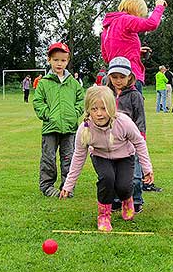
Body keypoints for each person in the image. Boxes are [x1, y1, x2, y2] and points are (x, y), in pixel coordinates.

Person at [59, 86, 154, 232]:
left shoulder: (123, 122)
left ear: (111, 107)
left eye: (103, 108)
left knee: (124, 186)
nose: (99, 114)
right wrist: (68, 184)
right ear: (88, 110)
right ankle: (104, 215)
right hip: (100, 156)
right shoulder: (84, 129)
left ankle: (127, 201)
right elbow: (78, 157)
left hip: (125, 156)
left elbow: (139, 143)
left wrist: (147, 169)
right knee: (107, 178)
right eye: (94, 109)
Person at [33, 42, 84, 197]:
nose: (59, 63)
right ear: (49, 60)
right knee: (48, 158)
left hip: (69, 128)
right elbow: (38, 102)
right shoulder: (44, 83)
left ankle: (67, 188)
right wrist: (47, 115)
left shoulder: (74, 83)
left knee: (69, 158)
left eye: (62, 60)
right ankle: (47, 187)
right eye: (56, 60)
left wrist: (75, 113)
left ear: (67, 61)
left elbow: (81, 101)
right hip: (50, 127)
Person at [101, 0, 167, 95]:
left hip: (113, 78)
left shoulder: (107, 28)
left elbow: (107, 57)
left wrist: (136, 51)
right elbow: (152, 24)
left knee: (116, 110)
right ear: (136, 9)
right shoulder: (126, 19)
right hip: (130, 76)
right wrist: (159, 6)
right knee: (135, 109)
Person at [106, 56, 146, 213]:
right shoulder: (106, 93)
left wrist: (140, 139)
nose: (118, 80)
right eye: (114, 77)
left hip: (131, 141)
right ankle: (116, 200)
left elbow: (140, 118)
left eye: (122, 77)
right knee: (115, 173)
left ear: (130, 76)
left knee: (134, 175)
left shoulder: (135, 95)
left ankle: (136, 200)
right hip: (111, 140)